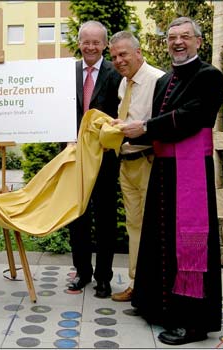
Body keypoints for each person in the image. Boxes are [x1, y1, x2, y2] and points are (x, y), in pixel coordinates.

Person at [121, 17, 223, 345]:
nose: (178, 43)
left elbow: (195, 116)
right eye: (172, 38)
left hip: (191, 172)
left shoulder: (209, 75)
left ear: (198, 41)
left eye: (185, 37)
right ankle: (155, 306)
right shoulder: (166, 80)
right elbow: (152, 124)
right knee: (159, 237)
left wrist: (147, 127)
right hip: (164, 170)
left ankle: (193, 322)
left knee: (189, 245)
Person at [107, 31, 165, 302]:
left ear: (138, 52)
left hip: (149, 161)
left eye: (124, 54)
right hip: (126, 163)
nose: (118, 60)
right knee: (134, 226)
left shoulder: (158, 80)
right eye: (114, 56)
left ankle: (153, 288)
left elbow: (163, 125)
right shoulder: (124, 83)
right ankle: (135, 283)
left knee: (153, 226)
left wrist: (138, 131)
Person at [67, 20, 122, 299]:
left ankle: (104, 278)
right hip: (75, 158)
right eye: (85, 41)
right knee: (77, 217)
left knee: (104, 218)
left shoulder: (116, 74)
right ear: (79, 43)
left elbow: (121, 115)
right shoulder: (68, 72)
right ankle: (82, 272)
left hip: (104, 159)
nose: (90, 47)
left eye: (96, 42)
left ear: (105, 45)